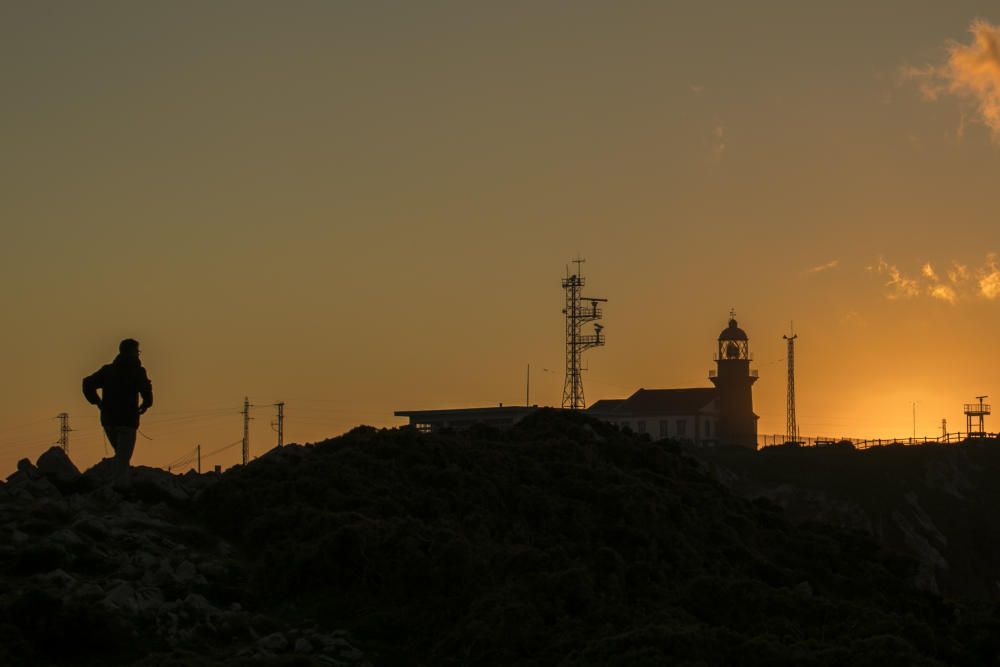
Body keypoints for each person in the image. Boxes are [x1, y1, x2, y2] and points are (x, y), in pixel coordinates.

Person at [82, 338, 153, 488]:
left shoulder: (108, 371)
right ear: (132, 352)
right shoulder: (137, 371)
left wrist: (98, 402)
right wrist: (146, 404)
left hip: (109, 421)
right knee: (122, 459)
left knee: (121, 457)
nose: (138, 355)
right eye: (137, 351)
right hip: (127, 422)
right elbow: (145, 389)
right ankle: (121, 489)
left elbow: (87, 383)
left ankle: (119, 488)